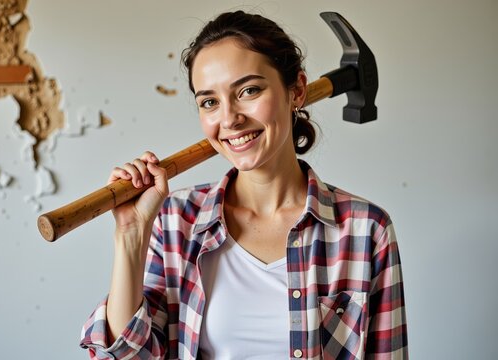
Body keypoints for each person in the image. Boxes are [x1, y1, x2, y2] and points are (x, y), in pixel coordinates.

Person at [80, 10, 408, 360]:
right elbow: (127, 357)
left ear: (296, 90)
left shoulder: (365, 229)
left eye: (249, 90)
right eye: (210, 102)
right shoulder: (175, 220)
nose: (230, 119)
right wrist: (131, 233)